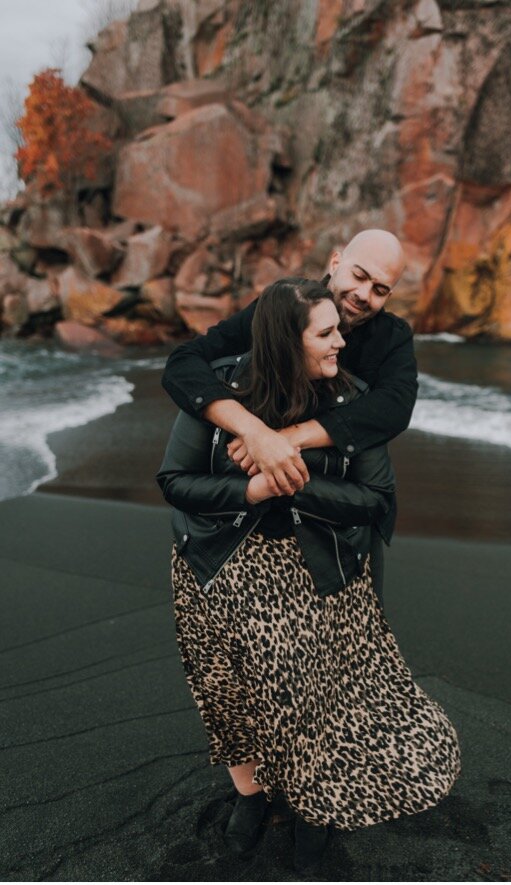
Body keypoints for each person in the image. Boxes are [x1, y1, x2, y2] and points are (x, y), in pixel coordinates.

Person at [156, 278, 459, 871]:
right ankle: (250, 794)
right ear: (285, 343)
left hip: (314, 573)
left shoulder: (353, 400)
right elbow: (175, 482)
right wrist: (251, 486)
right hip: (213, 565)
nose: (342, 342)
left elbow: (376, 498)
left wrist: (295, 484)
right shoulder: (218, 389)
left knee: (308, 702)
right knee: (225, 693)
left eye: (338, 330)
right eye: (326, 334)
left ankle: (316, 808)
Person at [161, 229, 416, 596]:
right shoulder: (281, 311)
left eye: (380, 289)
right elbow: (184, 365)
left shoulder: (392, 337)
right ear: (336, 261)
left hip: (342, 514)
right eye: (360, 276)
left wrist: (287, 438)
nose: (364, 295)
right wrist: (253, 432)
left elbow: (394, 408)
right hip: (254, 515)